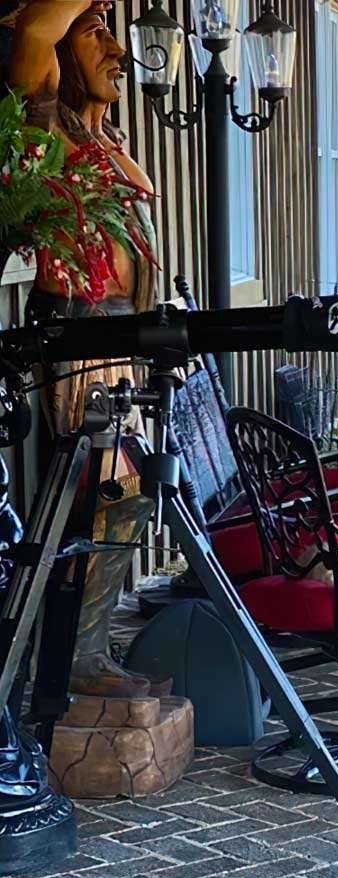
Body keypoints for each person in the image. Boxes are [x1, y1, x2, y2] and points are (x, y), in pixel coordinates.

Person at [6, 0, 164, 698]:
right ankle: (71, 658)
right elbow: (38, 28)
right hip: (80, 330)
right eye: (97, 33)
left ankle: (85, 648)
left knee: (128, 493)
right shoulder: (44, 114)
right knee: (101, 492)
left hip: (124, 333)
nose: (117, 50)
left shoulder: (109, 133)